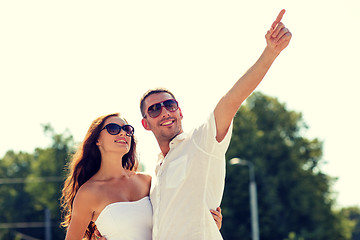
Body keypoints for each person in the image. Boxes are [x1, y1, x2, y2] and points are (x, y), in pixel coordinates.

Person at [139, 9, 292, 240]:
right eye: (154, 109)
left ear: (180, 111)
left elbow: (232, 100)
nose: (165, 111)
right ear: (145, 123)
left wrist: (270, 52)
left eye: (170, 104)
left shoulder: (201, 141)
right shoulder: (155, 172)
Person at [61, 113, 222, 240]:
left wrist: (207, 222)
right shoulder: (88, 193)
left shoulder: (148, 181)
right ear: (97, 139)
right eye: (113, 128)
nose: (123, 132)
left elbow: (177, 213)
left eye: (127, 129)